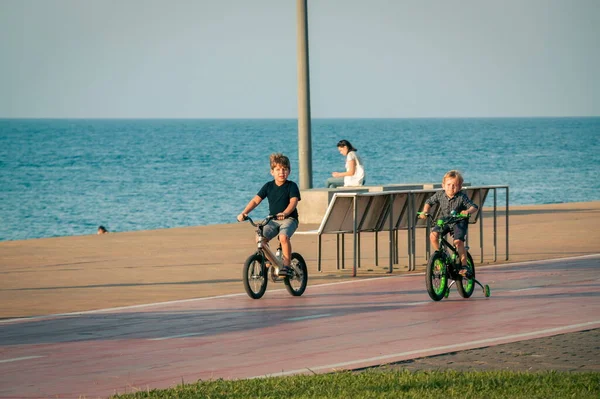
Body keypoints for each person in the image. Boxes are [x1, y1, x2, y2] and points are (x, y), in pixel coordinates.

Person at [237, 153, 301, 277]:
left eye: (285, 169)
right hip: (272, 220)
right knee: (260, 238)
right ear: (272, 172)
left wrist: (285, 213)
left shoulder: (291, 186)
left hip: (289, 219)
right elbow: (256, 200)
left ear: (289, 171)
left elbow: (294, 201)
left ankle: (287, 265)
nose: (281, 172)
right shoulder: (268, 186)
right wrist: (244, 213)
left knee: (283, 238)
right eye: (278, 169)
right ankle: (269, 261)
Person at [419, 170, 478, 276]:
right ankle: (441, 255)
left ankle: (464, 266)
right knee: (433, 236)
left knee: (458, 242)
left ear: (459, 187)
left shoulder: (461, 197)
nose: (451, 187)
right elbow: (429, 202)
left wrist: (467, 211)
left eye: (455, 185)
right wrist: (425, 211)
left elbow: (474, 206)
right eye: (449, 185)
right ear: (443, 185)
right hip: (445, 221)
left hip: (459, 221)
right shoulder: (440, 195)